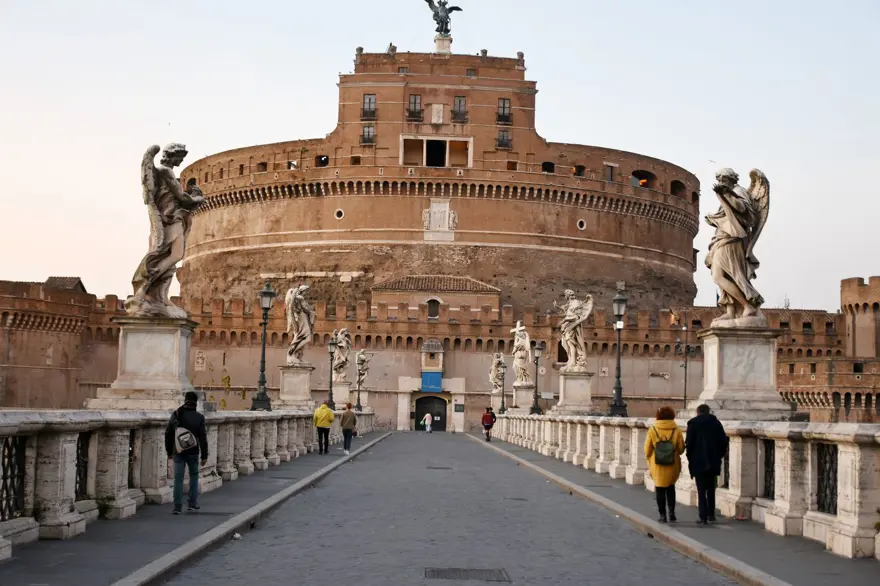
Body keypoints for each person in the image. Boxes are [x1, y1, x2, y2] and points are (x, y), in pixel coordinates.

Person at [164, 391, 208, 515]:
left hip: (178, 451)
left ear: (185, 400)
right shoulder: (199, 417)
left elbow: (168, 433)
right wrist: (204, 455)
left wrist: (169, 451)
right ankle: (192, 504)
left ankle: (177, 506)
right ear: (196, 402)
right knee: (194, 476)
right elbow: (203, 438)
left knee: (178, 478)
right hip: (193, 452)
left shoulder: (176, 414)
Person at [686, 404, 730, 525]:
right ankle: (711, 514)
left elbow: (689, 444)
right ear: (708, 412)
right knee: (711, 488)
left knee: (701, 489)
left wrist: (691, 458)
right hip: (713, 460)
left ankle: (703, 516)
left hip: (698, 461)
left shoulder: (693, 424)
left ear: (697, 412)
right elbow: (723, 441)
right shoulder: (716, 423)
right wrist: (718, 455)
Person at [644, 406, 685, 523]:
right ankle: (672, 513)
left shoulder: (653, 429)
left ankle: (662, 515)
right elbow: (681, 449)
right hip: (672, 464)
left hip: (657, 464)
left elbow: (647, 449)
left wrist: (649, 458)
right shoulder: (676, 430)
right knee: (671, 488)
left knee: (660, 489)